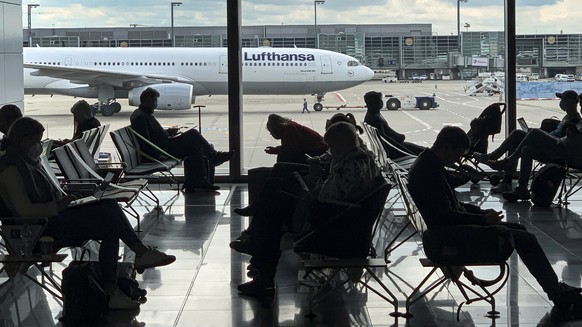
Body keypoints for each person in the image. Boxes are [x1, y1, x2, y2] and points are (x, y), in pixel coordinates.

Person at [0, 117, 176, 310]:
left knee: (110, 224)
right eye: (36, 141)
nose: (39, 147)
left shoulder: (26, 163)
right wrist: (58, 206)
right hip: (37, 230)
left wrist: (66, 202)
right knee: (109, 211)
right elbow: (24, 211)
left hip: (49, 221)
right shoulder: (11, 169)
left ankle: (113, 290)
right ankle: (136, 258)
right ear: (23, 140)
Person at [408, 126, 582, 320]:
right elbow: (445, 215)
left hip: (447, 233)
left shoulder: (428, 165)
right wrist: (482, 219)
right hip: (448, 239)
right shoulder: (429, 171)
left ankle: (555, 289)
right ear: (446, 147)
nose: (457, 160)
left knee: (520, 230)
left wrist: (481, 213)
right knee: (524, 239)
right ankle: (557, 294)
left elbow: (449, 209)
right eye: (457, 155)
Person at [233, 122, 381, 299]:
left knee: (275, 208)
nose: (331, 152)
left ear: (341, 144)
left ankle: (259, 262)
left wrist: (316, 178)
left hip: (328, 223)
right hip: (340, 220)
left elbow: (327, 196)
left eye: (332, 147)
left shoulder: (349, 167)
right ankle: (259, 263)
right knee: (276, 204)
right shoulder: (361, 160)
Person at [474, 90, 582, 199]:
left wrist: (541, 136)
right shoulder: (567, 117)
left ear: (572, 102)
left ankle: (503, 162)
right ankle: (519, 187)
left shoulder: (575, 120)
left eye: (564, 99)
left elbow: (568, 142)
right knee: (524, 145)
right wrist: (544, 135)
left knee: (533, 133)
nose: (561, 102)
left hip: (559, 153)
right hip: (555, 147)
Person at [130, 87, 234, 192]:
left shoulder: (143, 114)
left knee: (195, 146)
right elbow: (146, 142)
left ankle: (198, 181)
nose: (156, 103)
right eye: (155, 100)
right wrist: (158, 156)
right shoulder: (141, 118)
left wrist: (168, 132)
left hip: (165, 145)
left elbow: (153, 136)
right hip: (164, 149)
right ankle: (214, 158)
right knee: (193, 135)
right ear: (148, 101)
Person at [363, 91, 424, 157]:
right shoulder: (375, 118)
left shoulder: (371, 116)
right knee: (424, 151)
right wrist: (399, 138)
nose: (381, 102)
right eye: (379, 100)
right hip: (393, 149)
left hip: (392, 147)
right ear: (374, 102)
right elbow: (385, 140)